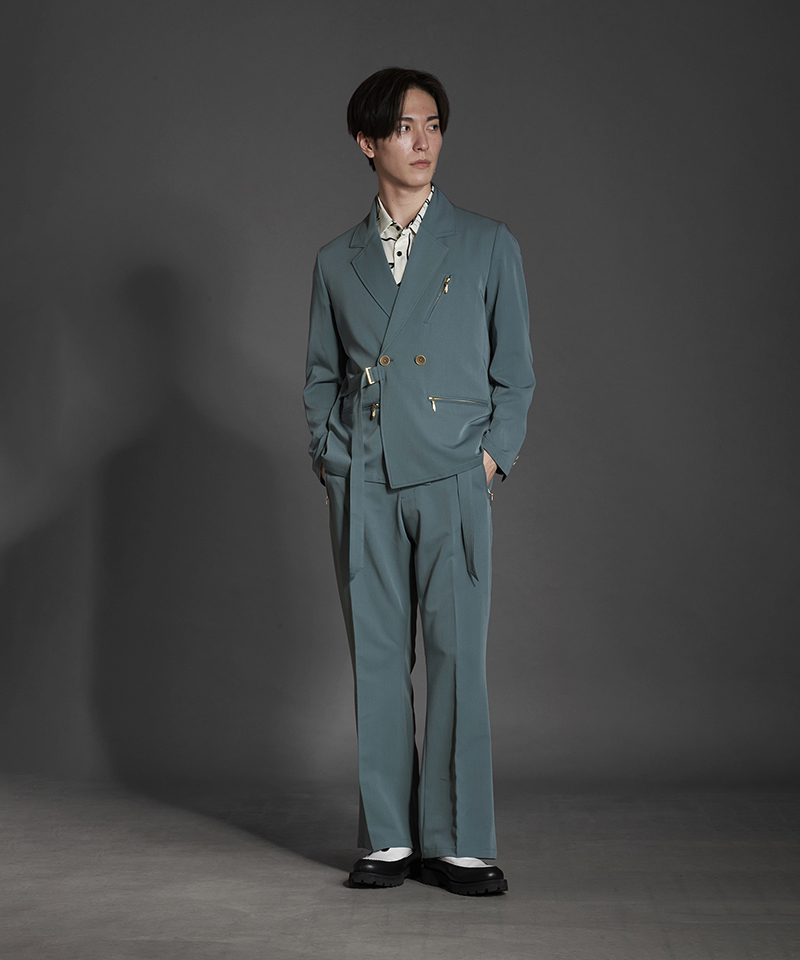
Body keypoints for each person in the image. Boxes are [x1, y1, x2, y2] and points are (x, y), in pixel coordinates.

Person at [304, 67, 534, 896]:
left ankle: (461, 839)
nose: (423, 141)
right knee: (375, 657)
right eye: (404, 128)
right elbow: (320, 377)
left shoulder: (486, 243)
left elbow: (517, 374)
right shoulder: (337, 261)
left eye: (433, 125)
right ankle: (390, 838)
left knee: (456, 655)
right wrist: (334, 460)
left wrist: (489, 458)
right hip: (365, 475)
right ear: (367, 142)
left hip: (451, 472)